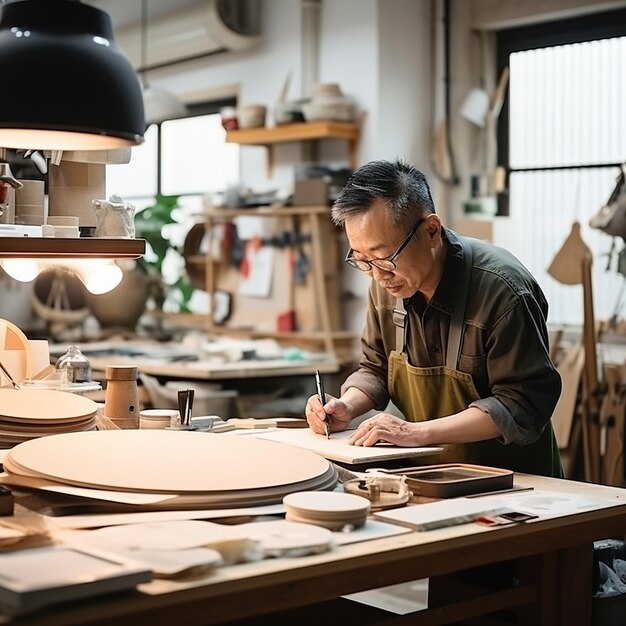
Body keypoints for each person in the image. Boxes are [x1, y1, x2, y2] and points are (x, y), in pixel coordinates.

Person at [305, 158, 562, 477]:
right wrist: (346, 405)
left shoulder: (502, 291)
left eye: (384, 258)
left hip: (516, 484)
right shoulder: (387, 283)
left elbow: (519, 404)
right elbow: (376, 368)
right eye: (362, 260)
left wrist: (414, 433)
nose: (377, 275)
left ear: (431, 231)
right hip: (433, 478)